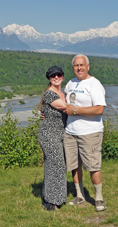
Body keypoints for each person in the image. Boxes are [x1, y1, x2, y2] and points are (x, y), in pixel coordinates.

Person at [63, 54, 107, 212]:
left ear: (88, 66)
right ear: (73, 68)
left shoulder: (94, 84)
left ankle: (99, 198)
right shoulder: (70, 83)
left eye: (82, 65)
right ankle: (80, 195)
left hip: (90, 132)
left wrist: (75, 110)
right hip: (70, 132)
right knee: (75, 165)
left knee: (93, 166)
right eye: (76, 65)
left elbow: (99, 109)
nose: (79, 68)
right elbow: (64, 102)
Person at [38, 66, 68, 211]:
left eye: (59, 74)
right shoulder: (50, 94)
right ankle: (49, 200)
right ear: (49, 78)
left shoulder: (63, 93)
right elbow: (66, 108)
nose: (56, 77)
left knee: (60, 166)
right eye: (52, 76)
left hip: (60, 134)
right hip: (49, 134)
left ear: (62, 76)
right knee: (54, 165)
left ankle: (59, 198)